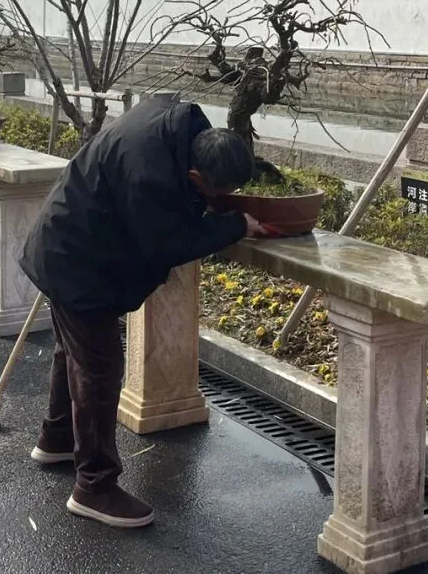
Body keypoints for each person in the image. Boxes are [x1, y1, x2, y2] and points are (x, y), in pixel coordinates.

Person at [21, 96, 265, 529]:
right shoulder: (149, 175)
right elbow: (168, 244)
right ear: (195, 175)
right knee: (99, 369)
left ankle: (57, 438)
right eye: (215, 192)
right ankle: (94, 487)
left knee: (74, 353)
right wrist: (235, 225)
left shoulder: (175, 125)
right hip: (76, 260)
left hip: (67, 238)